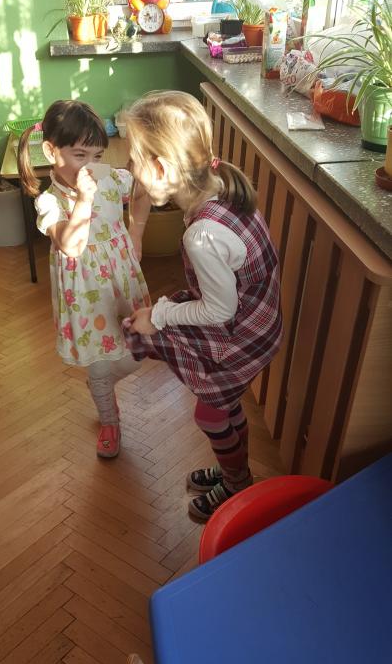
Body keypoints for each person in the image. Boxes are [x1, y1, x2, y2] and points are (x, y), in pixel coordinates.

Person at [123, 91, 283, 520]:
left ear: (161, 169)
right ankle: (236, 470)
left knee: (210, 415)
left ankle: (237, 483)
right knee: (224, 407)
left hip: (242, 332)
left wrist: (159, 316)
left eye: (134, 159)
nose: (130, 168)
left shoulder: (202, 235)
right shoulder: (220, 184)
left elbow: (218, 312)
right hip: (257, 319)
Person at [18, 100, 151, 458]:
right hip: (85, 293)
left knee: (140, 344)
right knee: (98, 359)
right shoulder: (49, 202)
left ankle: (103, 382)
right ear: (51, 151)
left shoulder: (108, 179)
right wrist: (84, 200)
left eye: (97, 156)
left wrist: (137, 232)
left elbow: (141, 190)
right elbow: (71, 245)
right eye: (80, 155)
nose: (91, 165)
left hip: (121, 280)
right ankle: (109, 418)